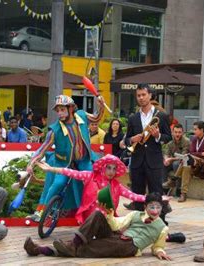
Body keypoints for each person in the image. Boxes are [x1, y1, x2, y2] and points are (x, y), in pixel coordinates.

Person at [25, 95, 104, 222]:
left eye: (62, 110)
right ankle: (40, 212)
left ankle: (94, 214)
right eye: (58, 110)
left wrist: (101, 106)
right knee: (58, 184)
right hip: (63, 163)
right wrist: (30, 163)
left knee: (91, 183)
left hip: (84, 160)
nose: (60, 113)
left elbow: (97, 118)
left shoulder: (82, 115)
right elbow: (42, 149)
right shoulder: (54, 130)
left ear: (71, 108)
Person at [24, 193, 171, 261]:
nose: (155, 210)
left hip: (130, 246)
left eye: (158, 207)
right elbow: (116, 225)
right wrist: (109, 214)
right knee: (97, 214)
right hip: (118, 237)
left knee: (90, 246)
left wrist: (159, 252)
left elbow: (157, 246)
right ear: (145, 207)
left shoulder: (162, 227)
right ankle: (73, 245)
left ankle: (39, 250)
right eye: (152, 207)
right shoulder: (135, 214)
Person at [36, 154, 146, 224]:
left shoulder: (117, 186)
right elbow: (71, 172)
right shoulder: (90, 176)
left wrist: (150, 198)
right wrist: (51, 169)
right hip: (89, 219)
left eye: (114, 169)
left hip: (107, 221)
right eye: (109, 168)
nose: (111, 172)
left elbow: (133, 196)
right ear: (103, 167)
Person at [124, 84, 172, 217]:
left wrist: (157, 136)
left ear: (150, 95)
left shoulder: (161, 116)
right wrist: (132, 139)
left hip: (154, 161)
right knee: (137, 195)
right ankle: (138, 224)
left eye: (143, 95)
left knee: (156, 193)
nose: (141, 98)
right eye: (138, 95)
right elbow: (126, 139)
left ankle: (160, 224)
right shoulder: (133, 118)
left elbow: (168, 137)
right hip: (137, 162)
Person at [162, 124, 190, 202]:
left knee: (176, 164)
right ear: (172, 133)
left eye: (179, 132)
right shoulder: (170, 143)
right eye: (176, 132)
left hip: (182, 163)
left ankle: (178, 189)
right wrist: (166, 159)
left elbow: (183, 156)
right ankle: (164, 188)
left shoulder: (186, 141)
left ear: (182, 133)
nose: (177, 134)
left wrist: (171, 159)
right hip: (173, 161)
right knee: (163, 164)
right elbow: (166, 153)